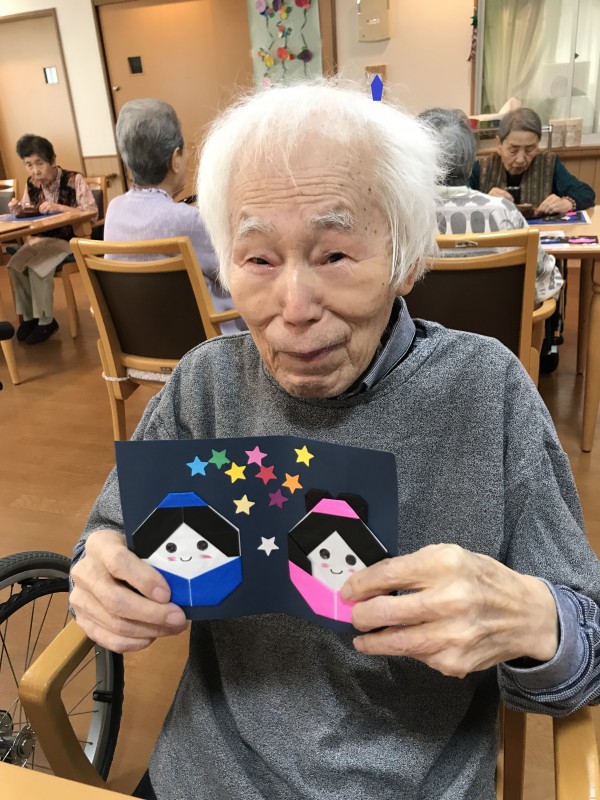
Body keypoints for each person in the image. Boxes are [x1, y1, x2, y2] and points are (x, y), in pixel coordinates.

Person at [70, 81, 600, 800]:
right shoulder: (205, 385)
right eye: (258, 260)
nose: (294, 309)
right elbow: (107, 536)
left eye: (334, 255)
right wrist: (99, 574)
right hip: (207, 775)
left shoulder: (486, 390)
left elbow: (587, 648)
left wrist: (537, 621)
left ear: (405, 258)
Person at [104, 98, 245, 335]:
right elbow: (235, 276)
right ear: (175, 159)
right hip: (203, 344)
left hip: (141, 338)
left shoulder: (114, 210)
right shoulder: (189, 220)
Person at [419, 107, 563, 306]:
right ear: (471, 162)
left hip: (419, 326)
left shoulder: (402, 215)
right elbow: (549, 283)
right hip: (499, 326)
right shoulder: (506, 212)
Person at [7, 134, 98, 345]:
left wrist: (59, 208)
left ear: (52, 160)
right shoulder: (31, 184)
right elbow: (29, 212)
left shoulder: (74, 179)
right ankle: (30, 318)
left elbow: (91, 213)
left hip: (68, 240)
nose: (35, 171)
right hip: (40, 240)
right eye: (29, 165)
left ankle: (46, 321)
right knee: (14, 265)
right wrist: (18, 210)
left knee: (38, 267)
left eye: (40, 163)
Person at [469, 107, 595, 214]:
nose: (520, 159)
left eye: (529, 149)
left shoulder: (548, 165)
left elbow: (586, 193)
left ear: (538, 145)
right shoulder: (481, 168)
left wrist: (566, 203)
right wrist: (483, 200)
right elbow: (458, 201)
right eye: (513, 150)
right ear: (499, 145)